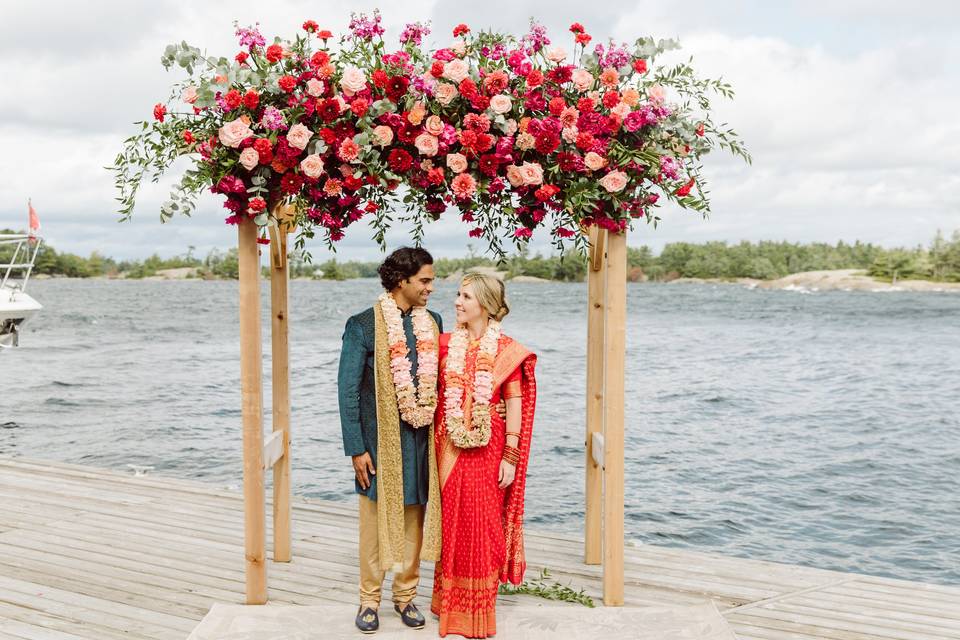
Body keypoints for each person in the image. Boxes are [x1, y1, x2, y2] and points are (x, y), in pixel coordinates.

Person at [338, 247, 444, 634]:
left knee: (414, 519)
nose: (431, 288)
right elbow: (347, 390)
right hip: (378, 444)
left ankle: (406, 596)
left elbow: (446, 379)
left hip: (420, 440)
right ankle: (369, 600)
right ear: (402, 281)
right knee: (373, 523)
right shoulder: (362, 325)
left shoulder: (432, 322)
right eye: (425, 281)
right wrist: (356, 448)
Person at [431, 272, 537, 638]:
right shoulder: (444, 345)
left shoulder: (506, 349)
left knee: (484, 525)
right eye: (457, 295)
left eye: (466, 297)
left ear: (486, 306)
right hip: (448, 446)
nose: (457, 302)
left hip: (489, 448)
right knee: (452, 522)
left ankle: (478, 611)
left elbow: (514, 404)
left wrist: (511, 455)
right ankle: (448, 603)